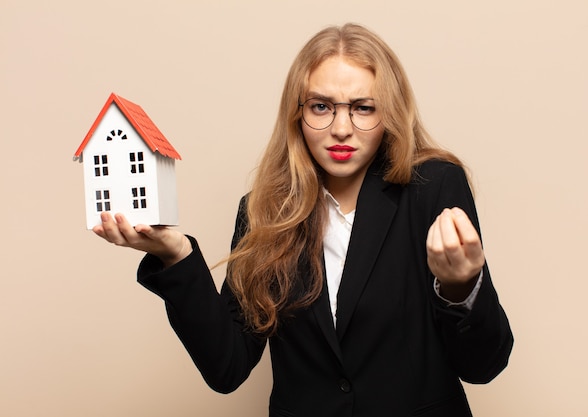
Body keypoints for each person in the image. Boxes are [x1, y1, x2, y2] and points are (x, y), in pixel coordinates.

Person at [94, 23, 513, 417]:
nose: (342, 128)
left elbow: (483, 365)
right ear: (297, 113)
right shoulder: (262, 210)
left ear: (390, 112)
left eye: (363, 108)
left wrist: (461, 288)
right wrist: (176, 255)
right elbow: (227, 367)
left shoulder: (434, 187)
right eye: (321, 106)